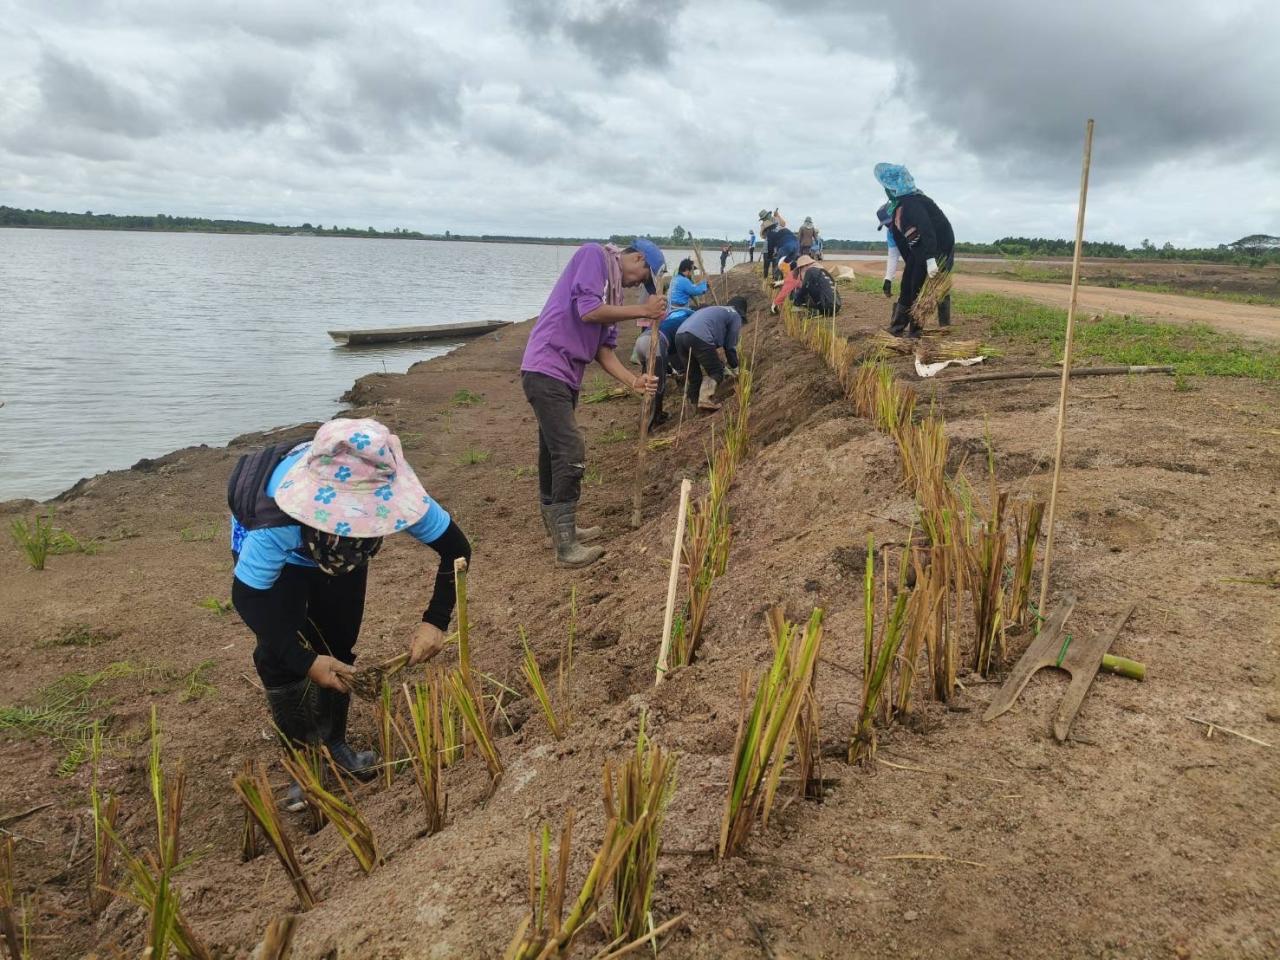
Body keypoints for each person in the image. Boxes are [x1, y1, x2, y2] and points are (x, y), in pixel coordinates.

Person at [228, 417, 471, 808]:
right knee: (280, 651)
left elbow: (457, 550)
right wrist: (305, 661)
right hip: (287, 556)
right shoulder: (273, 524)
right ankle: (305, 762)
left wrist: (435, 621)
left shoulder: (390, 494)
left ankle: (334, 743)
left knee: (338, 640)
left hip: (338, 554)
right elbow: (248, 598)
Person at [521, 238, 664, 567]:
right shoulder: (594, 256)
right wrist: (644, 310)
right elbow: (587, 312)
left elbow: (603, 351)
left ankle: (560, 530)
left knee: (552, 451)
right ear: (637, 258)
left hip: (566, 376)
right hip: (546, 367)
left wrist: (633, 381)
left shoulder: (612, 297)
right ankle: (566, 547)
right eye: (642, 278)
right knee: (570, 451)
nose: (637, 286)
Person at [874, 163, 955, 338]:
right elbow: (903, 249)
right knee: (907, 283)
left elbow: (927, 229)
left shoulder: (913, 202)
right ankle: (897, 327)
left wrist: (930, 259)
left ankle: (916, 331)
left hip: (938, 246)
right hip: (919, 248)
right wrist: (907, 268)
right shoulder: (896, 210)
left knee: (919, 287)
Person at [674, 296, 749, 412]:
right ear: (742, 310)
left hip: (679, 336)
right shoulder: (735, 315)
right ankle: (704, 399)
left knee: (694, 376)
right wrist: (735, 368)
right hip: (698, 335)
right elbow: (730, 346)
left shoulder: (719, 310)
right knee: (716, 372)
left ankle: (693, 408)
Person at [759, 208, 799, 280]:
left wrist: (778, 215)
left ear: (769, 215)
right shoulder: (763, 224)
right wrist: (766, 229)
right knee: (766, 265)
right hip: (767, 247)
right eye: (763, 218)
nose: (764, 219)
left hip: (777, 247)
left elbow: (783, 224)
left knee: (776, 265)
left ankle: (775, 280)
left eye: (765, 217)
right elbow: (762, 236)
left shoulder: (776, 219)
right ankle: (765, 280)